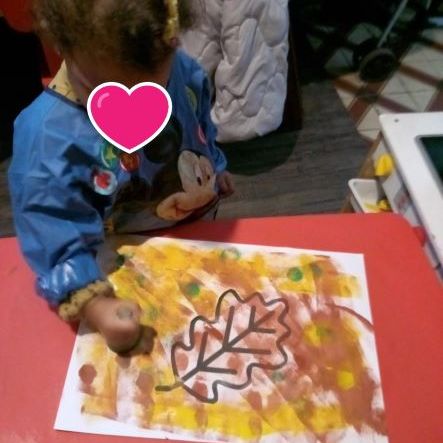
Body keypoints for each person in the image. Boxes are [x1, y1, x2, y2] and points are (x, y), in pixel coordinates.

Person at [8, 0, 234, 354]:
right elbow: (51, 229)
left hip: (200, 229)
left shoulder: (183, 68)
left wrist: (215, 166)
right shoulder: (47, 137)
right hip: (124, 264)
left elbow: (198, 121)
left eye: (155, 87)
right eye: (104, 89)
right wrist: (96, 306)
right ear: (63, 45)